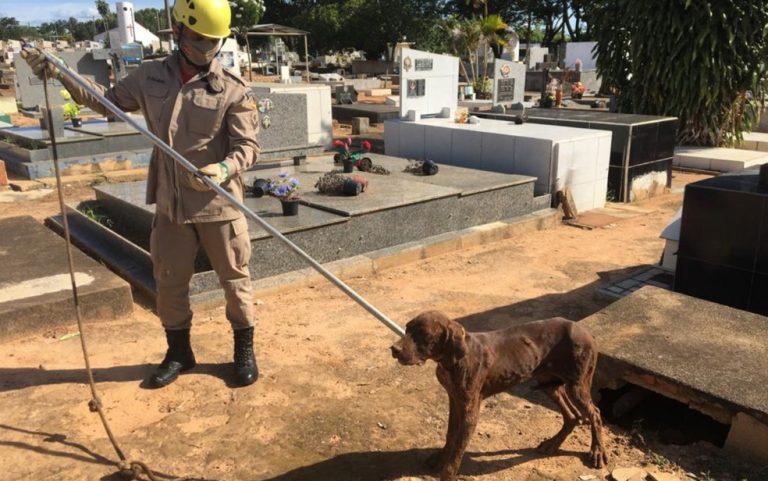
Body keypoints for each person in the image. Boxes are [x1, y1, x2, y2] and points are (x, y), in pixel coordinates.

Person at [21, 0, 261, 388]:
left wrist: (224, 167)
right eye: (199, 38)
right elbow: (103, 101)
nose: (207, 48)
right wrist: (60, 72)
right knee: (169, 281)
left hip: (217, 202)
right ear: (179, 31)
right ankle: (179, 352)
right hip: (171, 204)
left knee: (235, 281)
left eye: (214, 41)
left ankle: (243, 350)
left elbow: (248, 147)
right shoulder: (150, 76)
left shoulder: (233, 90)